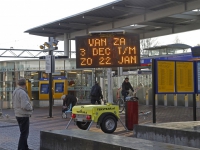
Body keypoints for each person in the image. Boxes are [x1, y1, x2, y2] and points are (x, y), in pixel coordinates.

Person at [12, 78, 33, 150]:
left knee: (23, 132)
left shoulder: (15, 91)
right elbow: (25, 105)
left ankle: (25, 147)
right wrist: (31, 107)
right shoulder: (22, 92)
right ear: (25, 84)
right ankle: (21, 148)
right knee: (24, 134)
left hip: (18, 114)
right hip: (23, 115)